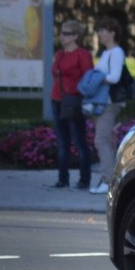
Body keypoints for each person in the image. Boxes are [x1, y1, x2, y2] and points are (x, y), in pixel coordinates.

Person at [50, 19, 93, 189]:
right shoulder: (60, 54)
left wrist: (79, 94)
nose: (62, 36)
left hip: (74, 101)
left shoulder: (82, 54)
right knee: (62, 141)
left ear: (76, 36)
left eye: (66, 33)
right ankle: (62, 178)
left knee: (79, 140)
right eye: (61, 33)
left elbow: (89, 78)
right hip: (57, 99)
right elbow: (55, 74)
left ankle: (84, 179)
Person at [91, 17, 127, 194]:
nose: (100, 34)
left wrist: (95, 79)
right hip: (102, 102)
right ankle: (112, 179)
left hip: (110, 102)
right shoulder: (105, 53)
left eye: (103, 30)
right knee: (106, 141)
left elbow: (115, 77)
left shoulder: (116, 52)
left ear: (112, 33)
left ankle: (107, 180)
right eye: (99, 30)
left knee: (101, 139)